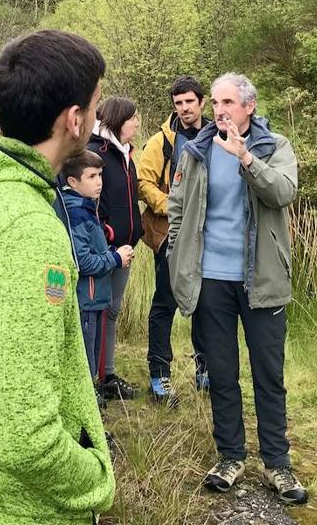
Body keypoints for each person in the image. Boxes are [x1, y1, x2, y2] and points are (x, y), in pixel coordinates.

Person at [0, 30, 115, 525]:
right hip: (18, 509)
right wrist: (94, 481)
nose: (95, 120)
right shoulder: (31, 231)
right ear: (74, 120)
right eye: (95, 107)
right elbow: (25, 434)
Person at [167, 73, 307, 505]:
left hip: (262, 280)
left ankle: (277, 463)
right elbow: (178, 207)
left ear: (249, 106)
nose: (219, 110)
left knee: (269, 374)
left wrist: (246, 158)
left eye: (228, 101)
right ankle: (230, 456)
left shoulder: (273, 146)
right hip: (212, 280)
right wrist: (176, 248)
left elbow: (283, 192)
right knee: (222, 374)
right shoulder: (196, 150)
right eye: (215, 102)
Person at [138, 75, 210, 405]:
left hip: (208, 235)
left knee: (207, 304)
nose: (184, 109)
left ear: (201, 102)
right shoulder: (161, 142)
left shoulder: (217, 136)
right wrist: (171, 207)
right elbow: (144, 181)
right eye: (178, 103)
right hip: (170, 234)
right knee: (165, 302)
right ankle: (160, 374)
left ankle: (205, 369)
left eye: (189, 102)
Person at [59, 150, 133, 401]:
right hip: (85, 297)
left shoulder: (86, 207)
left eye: (100, 175)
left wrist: (111, 250)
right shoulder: (77, 213)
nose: (99, 182)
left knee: (92, 354)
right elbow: (82, 261)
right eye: (91, 176)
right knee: (85, 358)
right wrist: (115, 259)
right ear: (72, 182)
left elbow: (92, 249)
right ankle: (86, 404)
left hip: (94, 297)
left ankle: (90, 399)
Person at [87, 96, 143, 402]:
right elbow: (91, 201)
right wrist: (107, 233)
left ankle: (107, 375)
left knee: (113, 311)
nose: (136, 123)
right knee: (99, 312)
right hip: (105, 250)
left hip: (126, 247)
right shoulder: (97, 152)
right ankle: (97, 379)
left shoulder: (125, 154)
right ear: (119, 119)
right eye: (133, 117)